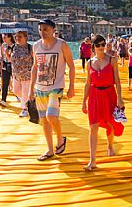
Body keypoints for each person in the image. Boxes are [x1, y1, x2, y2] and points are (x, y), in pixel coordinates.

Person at [29, 19, 75, 161]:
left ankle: (60, 139)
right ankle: (49, 149)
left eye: (46, 29)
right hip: (40, 88)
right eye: (40, 29)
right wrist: (31, 89)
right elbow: (35, 67)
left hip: (56, 87)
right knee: (44, 119)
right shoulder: (36, 46)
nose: (42, 32)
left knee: (51, 116)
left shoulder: (62, 45)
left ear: (53, 30)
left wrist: (71, 86)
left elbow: (71, 66)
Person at [82, 35, 125, 171]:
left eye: (103, 44)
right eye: (98, 45)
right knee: (93, 126)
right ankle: (92, 161)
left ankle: (110, 146)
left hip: (109, 94)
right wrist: (84, 101)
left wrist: (120, 98)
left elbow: (117, 80)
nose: (102, 47)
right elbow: (88, 83)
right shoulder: (89, 63)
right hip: (94, 96)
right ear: (94, 47)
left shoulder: (112, 60)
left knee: (110, 124)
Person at [11, 31, 34, 117]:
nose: (17, 38)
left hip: (27, 74)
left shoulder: (30, 48)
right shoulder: (13, 47)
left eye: (20, 36)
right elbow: (12, 59)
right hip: (16, 75)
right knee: (15, 91)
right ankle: (29, 100)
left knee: (25, 92)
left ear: (25, 37)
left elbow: (35, 60)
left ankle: (25, 109)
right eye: (16, 36)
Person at [0, 33, 15, 107]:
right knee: (5, 83)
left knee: (16, 83)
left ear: (10, 37)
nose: (4, 39)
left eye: (5, 37)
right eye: (3, 37)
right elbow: (2, 56)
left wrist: (6, 53)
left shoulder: (14, 46)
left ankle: (21, 97)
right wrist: (1, 62)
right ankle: (3, 100)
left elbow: (11, 59)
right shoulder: (3, 45)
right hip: (5, 65)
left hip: (12, 65)